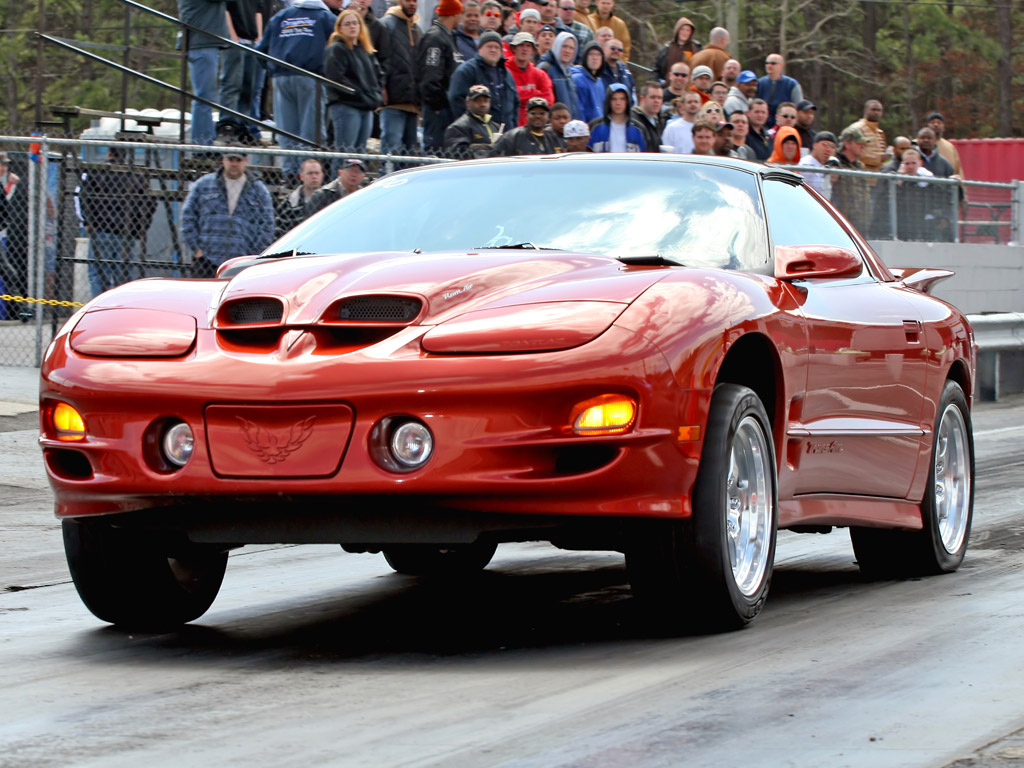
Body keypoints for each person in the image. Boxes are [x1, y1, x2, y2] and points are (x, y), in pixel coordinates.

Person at [256, 0, 341, 177]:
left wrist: (273, 69)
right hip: (311, 78)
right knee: (311, 133)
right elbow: (340, 49)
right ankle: (308, 175)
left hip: (281, 79)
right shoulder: (326, 18)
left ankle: (290, 175)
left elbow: (261, 49)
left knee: (287, 131)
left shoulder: (281, 16)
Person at [181, 148, 275, 276]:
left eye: (238, 160)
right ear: (223, 160)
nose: (234, 164)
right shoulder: (204, 185)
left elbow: (267, 225)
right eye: (231, 159)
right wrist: (197, 250)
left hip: (242, 263)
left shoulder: (258, 190)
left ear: (246, 161)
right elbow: (187, 216)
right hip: (207, 260)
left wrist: (254, 255)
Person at [78, 147, 156, 295]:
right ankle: (120, 309)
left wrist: (88, 221)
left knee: (99, 274)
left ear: (109, 153)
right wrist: (140, 228)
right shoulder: (135, 175)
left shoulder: (97, 171)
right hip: (126, 231)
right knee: (123, 276)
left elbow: (84, 196)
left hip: (100, 228)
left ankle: (100, 310)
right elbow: (149, 202)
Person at [324, 9, 383, 154]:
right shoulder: (336, 49)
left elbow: (378, 75)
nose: (352, 26)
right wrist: (360, 95)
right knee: (345, 153)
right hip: (346, 106)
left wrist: (376, 95)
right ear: (340, 28)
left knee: (359, 154)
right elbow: (336, 78)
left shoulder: (366, 51)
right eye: (348, 24)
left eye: (355, 23)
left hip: (366, 107)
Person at [178, 0, 230, 146]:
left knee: (205, 97)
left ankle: (204, 140)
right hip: (202, 43)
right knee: (204, 97)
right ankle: (202, 143)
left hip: (204, 42)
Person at [418, 0, 464, 154]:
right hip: (439, 109)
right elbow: (430, 76)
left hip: (447, 107)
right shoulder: (435, 38)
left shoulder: (448, 36)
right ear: (454, 14)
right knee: (436, 152)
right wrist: (437, 105)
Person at [448, 30, 519, 129]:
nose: (493, 50)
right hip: (478, 134)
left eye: (497, 47)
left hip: (506, 134)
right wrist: (470, 127)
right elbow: (456, 100)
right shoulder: (466, 71)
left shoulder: (507, 73)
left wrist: (513, 127)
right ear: (479, 49)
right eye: (489, 46)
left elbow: (515, 103)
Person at [379, 0, 423, 157]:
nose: (412, 3)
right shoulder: (386, 24)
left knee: (408, 155)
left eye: (415, 1)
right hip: (393, 100)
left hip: (412, 102)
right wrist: (382, 87)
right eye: (408, 0)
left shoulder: (417, 29)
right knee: (392, 151)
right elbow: (378, 59)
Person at [218, 0, 263, 140]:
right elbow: (224, 9)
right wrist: (232, 37)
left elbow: (258, 10)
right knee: (231, 84)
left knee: (248, 88)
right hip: (234, 41)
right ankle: (228, 124)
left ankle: (244, 125)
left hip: (251, 41)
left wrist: (259, 38)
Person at [506, 32, 555, 125]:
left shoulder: (540, 74)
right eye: (520, 45)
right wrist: (536, 93)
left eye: (528, 46)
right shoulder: (504, 71)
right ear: (514, 48)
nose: (524, 49)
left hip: (534, 127)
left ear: (533, 50)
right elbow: (508, 97)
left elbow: (548, 101)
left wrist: (521, 96)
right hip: (510, 125)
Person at [830, 125, 872, 233]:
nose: (862, 146)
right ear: (847, 144)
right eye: (859, 143)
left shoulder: (861, 167)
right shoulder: (834, 163)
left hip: (860, 226)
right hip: (839, 224)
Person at [444, 84, 499, 158]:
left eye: (486, 101)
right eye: (478, 101)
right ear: (468, 102)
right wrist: (487, 148)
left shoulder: (496, 126)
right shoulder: (458, 127)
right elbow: (457, 153)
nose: (482, 104)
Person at [489, 96, 557, 155]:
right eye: (533, 113)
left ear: (548, 116)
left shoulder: (554, 138)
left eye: (542, 113)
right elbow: (494, 156)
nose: (538, 116)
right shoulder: (511, 137)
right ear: (526, 114)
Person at [588, 83, 645, 152]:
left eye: (622, 99)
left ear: (627, 101)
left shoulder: (638, 129)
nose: (618, 103)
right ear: (608, 101)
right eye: (614, 99)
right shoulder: (595, 126)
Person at [276, 158, 324, 237]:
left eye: (317, 173)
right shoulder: (289, 202)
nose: (314, 176)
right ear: (301, 176)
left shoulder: (331, 199)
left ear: (322, 175)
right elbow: (280, 230)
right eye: (310, 173)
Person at [538, 32, 581, 119]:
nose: (567, 51)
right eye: (564, 46)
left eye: (571, 48)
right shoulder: (545, 68)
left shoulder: (568, 72)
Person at [756, 53, 802, 129]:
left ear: (782, 66)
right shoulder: (759, 83)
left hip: (785, 127)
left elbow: (799, 108)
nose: (769, 65)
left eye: (773, 63)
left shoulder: (792, 84)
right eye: (767, 63)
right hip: (762, 127)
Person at [570, 41, 609, 124]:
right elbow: (579, 110)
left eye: (598, 54)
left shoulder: (600, 81)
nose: (595, 58)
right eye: (591, 54)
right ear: (585, 57)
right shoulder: (577, 79)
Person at [846, 99, 887, 172]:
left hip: (877, 174)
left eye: (879, 110)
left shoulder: (879, 132)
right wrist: (878, 158)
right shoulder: (857, 128)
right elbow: (853, 152)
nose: (876, 112)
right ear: (865, 110)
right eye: (873, 109)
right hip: (861, 172)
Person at [797, 130, 837, 199]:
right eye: (825, 145)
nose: (828, 149)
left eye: (832, 147)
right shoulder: (806, 165)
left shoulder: (824, 166)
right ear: (815, 145)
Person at [630, 82, 666, 153]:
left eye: (659, 98)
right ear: (642, 98)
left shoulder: (658, 121)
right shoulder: (633, 121)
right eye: (652, 97)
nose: (656, 101)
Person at [927, 112, 964, 177]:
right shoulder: (917, 144)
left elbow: (957, 170)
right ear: (928, 125)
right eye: (932, 122)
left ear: (943, 126)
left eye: (939, 123)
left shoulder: (950, 147)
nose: (936, 125)